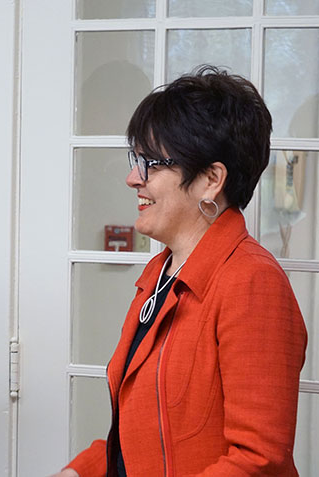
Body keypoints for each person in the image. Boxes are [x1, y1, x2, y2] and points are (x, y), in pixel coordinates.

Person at [51, 66, 307, 476]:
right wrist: (81, 471)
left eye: (151, 162)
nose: (133, 178)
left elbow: (259, 460)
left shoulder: (251, 283)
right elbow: (139, 433)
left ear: (211, 180)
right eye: (137, 159)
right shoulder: (159, 273)